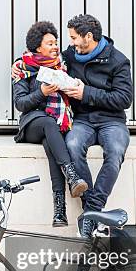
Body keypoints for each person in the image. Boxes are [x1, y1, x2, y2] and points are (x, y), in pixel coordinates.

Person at [13, 14, 132, 238]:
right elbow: (36, 61)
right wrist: (19, 69)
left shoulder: (118, 60)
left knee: (115, 151)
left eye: (74, 38)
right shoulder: (69, 57)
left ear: (89, 37)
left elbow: (124, 98)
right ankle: (91, 211)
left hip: (112, 121)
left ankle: (91, 211)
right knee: (74, 146)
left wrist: (86, 93)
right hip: (83, 120)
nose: (69, 44)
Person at [12, 21, 88, 227]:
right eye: (50, 43)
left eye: (56, 43)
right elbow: (20, 104)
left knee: (50, 143)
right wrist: (41, 93)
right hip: (32, 122)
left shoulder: (62, 67)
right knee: (47, 123)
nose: (55, 47)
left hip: (54, 126)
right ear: (38, 47)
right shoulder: (22, 67)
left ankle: (59, 211)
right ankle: (71, 175)